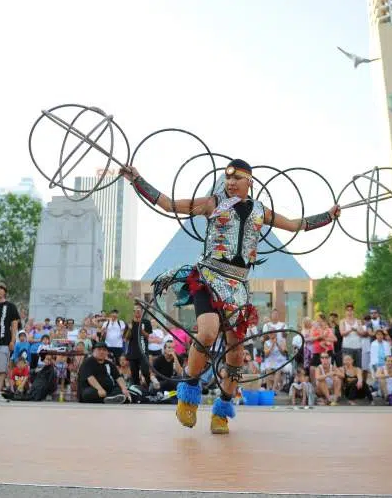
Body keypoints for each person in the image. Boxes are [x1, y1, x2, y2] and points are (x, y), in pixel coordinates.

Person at [123, 159, 339, 434]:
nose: (231, 182)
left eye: (237, 178)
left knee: (236, 354)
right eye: (228, 178)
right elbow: (168, 204)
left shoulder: (261, 211)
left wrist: (329, 216)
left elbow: (295, 224)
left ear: (250, 181)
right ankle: (188, 393)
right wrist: (137, 179)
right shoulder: (213, 203)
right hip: (208, 277)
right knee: (209, 331)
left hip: (238, 287)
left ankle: (222, 410)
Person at [126, 301, 152, 389]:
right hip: (132, 352)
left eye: (139, 310)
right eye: (135, 310)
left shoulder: (146, 322)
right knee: (134, 374)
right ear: (133, 312)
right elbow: (126, 339)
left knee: (145, 371)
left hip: (143, 351)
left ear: (142, 311)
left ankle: (148, 386)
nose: (137, 312)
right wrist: (129, 329)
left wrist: (141, 329)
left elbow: (148, 336)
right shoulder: (130, 322)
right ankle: (137, 390)